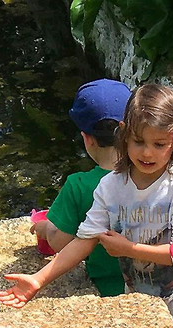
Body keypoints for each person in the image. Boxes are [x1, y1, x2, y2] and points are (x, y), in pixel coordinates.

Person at [0, 83, 173, 328]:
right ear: (123, 136)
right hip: (137, 306)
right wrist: (38, 279)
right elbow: (83, 240)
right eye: (138, 142)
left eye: (159, 144)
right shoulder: (111, 186)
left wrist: (129, 249)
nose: (147, 153)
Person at [31, 78, 130, 297]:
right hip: (155, 287)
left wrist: (45, 229)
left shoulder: (78, 185)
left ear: (87, 139)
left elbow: (59, 242)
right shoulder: (148, 176)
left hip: (109, 290)